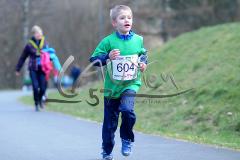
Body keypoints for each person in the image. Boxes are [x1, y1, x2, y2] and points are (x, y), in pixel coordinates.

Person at [89, 5, 147, 160]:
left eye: (129, 17)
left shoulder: (138, 40)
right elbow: (94, 60)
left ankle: (127, 138)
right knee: (109, 125)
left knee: (128, 111)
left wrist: (143, 63)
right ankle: (107, 151)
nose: (126, 20)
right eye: (122, 18)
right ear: (114, 23)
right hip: (111, 88)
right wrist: (107, 57)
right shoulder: (108, 42)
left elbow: (143, 54)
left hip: (130, 84)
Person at [16, 25, 51, 111]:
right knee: (35, 87)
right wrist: (18, 69)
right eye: (37, 33)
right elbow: (23, 57)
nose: (39, 35)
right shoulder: (29, 45)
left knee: (43, 88)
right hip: (33, 68)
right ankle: (36, 103)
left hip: (43, 68)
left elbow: (50, 54)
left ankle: (40, 100)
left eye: (40, 33)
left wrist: (51, 61)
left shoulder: (45, 43)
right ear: (34, 34)